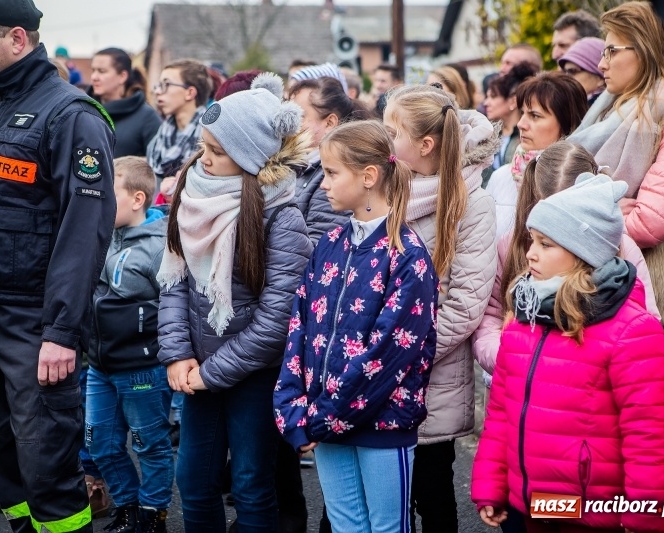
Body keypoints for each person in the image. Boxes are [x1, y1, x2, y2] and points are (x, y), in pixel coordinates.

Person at [0, 0, 117, 531]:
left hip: (32, 323)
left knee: (46, 461)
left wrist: (61, 330)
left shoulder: (70, 114)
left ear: (16, 38)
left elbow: (85, 234)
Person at [471, 174, 664, 532]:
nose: (530, 253)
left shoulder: (632, 330)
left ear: (584, 253)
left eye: (546, 244)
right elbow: (502, 410)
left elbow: (648, 437)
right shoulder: (525, 319)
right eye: (532, 240)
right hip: (529, 504)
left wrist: (646, 517)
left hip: (588, 511)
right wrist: (491, 485)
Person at [157, 72, 312, 531]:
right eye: (203, 146)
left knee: (249, 481)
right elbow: (174, 282)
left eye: (217, 152)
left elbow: (276, 321)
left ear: (251, 159)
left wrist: (211, 372)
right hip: (197, 371)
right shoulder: (193, 197)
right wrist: (178, 354)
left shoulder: (282, 220)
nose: (203, 160)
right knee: (194, 480)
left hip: (253, 376)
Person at [274, 119, 438, 533]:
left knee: (386, 528)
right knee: (347, 527)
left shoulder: (408, 256)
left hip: (381, 424)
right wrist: (293, 406)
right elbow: (300, 328)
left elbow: (388, 354)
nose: (322, 183)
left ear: (368, 177)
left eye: (331, 173)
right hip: (324, 422)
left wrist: (321, 417)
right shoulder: (329, 244)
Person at [567, 0, 664, 428]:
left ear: (643, 50)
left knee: (657, 436)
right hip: (620, 293)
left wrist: (597, 212)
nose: (601, 63)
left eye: (612, 50)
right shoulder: (609, 108)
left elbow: (653, 222)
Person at [383, 85, 498, 532]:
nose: (384, 140)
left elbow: (466, 302)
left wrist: (405, 354)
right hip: (378, 373)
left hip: (430, 375)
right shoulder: (388, 191)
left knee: (431, 492)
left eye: (393, 132)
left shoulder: (472, 204)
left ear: (424, 145)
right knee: (380, 498)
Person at [473, 141, 660, 409]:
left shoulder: (621, 249)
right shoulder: (512, 246)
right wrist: (510, 356)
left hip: (592, 402)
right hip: (519, 395)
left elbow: (647, 324)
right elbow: (490, 317)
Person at [85, 156, 172, 533]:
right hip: (99, 366)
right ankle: (128, 506)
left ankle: (154, 515)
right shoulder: (100, 236)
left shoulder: (159, 247)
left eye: (110, 194)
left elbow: (173, 306)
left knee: (149, 445)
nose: (100, 200)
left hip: (142, 368)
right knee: (99, 444)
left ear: (138, 199)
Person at [486, 71, 588, 238]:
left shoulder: (584, 181)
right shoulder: (502, 177)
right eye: (522, 113)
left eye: (535, 116)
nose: (521, 124)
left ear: (567, 123)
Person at [289, 76, 370, 244]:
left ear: (330, 122)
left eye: (299, 115)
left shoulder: (332, 176)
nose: (289, 123)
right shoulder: (298, 164)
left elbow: (319, 245)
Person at [146, 59, 211, 204]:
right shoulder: (158, 139)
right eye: (158, 85)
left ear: (190, 93)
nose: (157, 92)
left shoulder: (210, 139)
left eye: (166, 85)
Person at [89, 47, 161, 158]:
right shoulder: (82, 110)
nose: (94, 77)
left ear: (122, 76)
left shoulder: (147, 117)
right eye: (93, 70)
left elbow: (157, 166)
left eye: (102, 71)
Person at [483, 62, 537, 186]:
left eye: (493, 96)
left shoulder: (525, 137)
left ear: (513, 100)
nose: (486, 103)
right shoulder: (490, 134)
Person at [557, 37, 606, 107]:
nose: (566, 77)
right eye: (564, 72)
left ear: (600, 78)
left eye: (572, 71)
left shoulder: (607, 112)